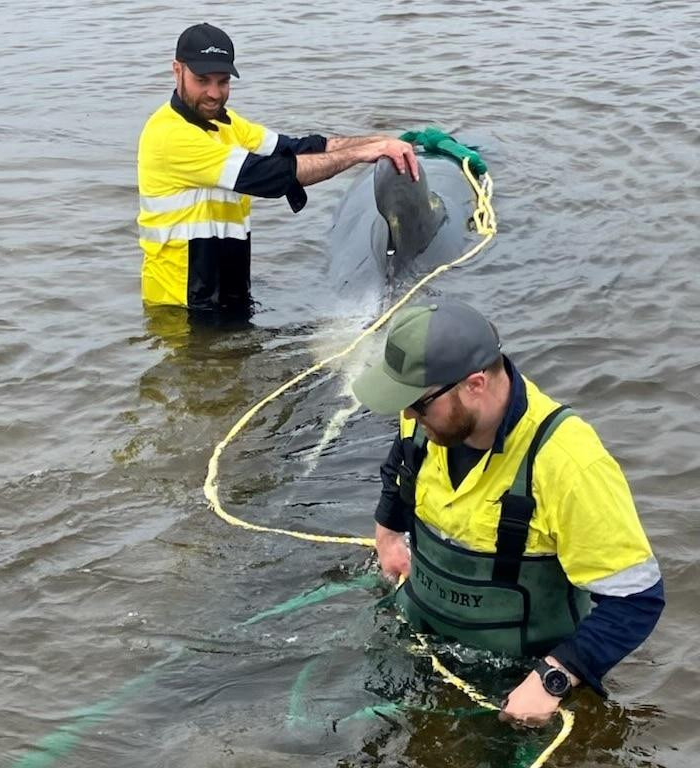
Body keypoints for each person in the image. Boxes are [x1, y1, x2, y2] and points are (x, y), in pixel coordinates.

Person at [351, 300, 664, 726]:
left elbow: (636, 600)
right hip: (422, 631)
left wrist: (554, 677)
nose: (407, 415)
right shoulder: (427, 420)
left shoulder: (568, 463)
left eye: (418, 405)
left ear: (475, 384)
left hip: (518, 678)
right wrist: (387, 536)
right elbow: (398, 471)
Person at [137, 22, 419, 314]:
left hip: (226, 293)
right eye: (202, 80)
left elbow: (295, 149)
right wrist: (363, 153)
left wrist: (380, 142)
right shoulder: (170, 135)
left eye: (222, 81)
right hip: (180, 309)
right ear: (177, 70)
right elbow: (273, 176)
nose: (214, 93)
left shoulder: (226, 123)